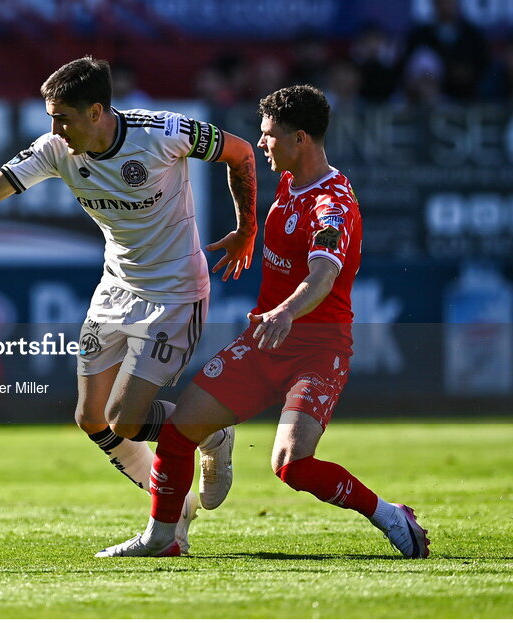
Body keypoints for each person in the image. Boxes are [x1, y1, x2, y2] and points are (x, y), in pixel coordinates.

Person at [0, 56, 257, 534]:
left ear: (96, 112)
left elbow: (240, 152)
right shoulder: (56, 149)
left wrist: (246, 228)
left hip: (175, 290)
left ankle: (211, 434)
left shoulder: (162, 132)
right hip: (116, 288)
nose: (55, 128)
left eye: (63, 117)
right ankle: (173, 506)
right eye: (51, 117)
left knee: (126, 419)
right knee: (92, 417)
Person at [97, 85, 430, 559]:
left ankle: (388, 513)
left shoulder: (331, 204)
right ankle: (163, 538)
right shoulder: (292, 180)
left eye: (269, 135)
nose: (262, 143)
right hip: (264, 343)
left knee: (290, 465)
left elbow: (323, 273)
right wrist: (245, 233)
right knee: (176, 435)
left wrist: (287, 310)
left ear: (300, 139)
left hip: (317, 348)